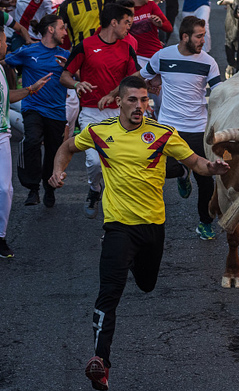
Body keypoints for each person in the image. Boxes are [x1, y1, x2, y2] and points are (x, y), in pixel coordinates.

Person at [48, 76, 229, 390]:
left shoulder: (162, 134)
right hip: (118, 227)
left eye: (144, 100)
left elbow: (195, 161)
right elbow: (67, 147)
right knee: (109, 294)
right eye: (132, 100)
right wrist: (58, 170)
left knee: (146, 284)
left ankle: (132, 263)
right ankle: (100, 362)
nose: (140, 106)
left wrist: (211, 168)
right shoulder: (100, 132)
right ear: (118, 101)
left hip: (152, 228)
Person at [139, 16, 221, 240]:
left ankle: (205, 222)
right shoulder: (163, 56)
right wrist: (127, 93)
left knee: (206, 179)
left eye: (204, 36)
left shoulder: (208, 62)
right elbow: (140, 78)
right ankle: (183, 172)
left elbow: (221, 92)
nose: (203, 40)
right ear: (185, 37)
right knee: (162, 172)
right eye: (199, 36)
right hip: (168, 128)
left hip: (198, 128)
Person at [60, 2, 138, 219]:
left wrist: (114, 94)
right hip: (91, 112)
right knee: (95, 161)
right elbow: (65, 75)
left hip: (119, 114)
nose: (128, 28)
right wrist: (76, 84)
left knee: (120, 161)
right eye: (125, 23)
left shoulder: (127, 47)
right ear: (113, 23)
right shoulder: (85, 46)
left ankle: (118, 208)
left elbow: (134, 78)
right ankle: (94, 189)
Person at [3, 15, 69, 208]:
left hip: (56, 112)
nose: (65, 32)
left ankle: (49, 189)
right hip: (33, 108)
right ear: (50, 29)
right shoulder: (27, 51)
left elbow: (77, 78)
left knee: (53, 152)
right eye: (62, 28)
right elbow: (5, 62)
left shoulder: (65, 54)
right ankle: (32, 189)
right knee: (31, 139)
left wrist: (67, 69)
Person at [0, 30, 52, 258]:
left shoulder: (1, 69)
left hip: (2, 135)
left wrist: (31, 89)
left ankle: (0, 237)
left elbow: (7, 97)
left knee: (5, 189)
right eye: (4, 41)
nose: (6, 45)